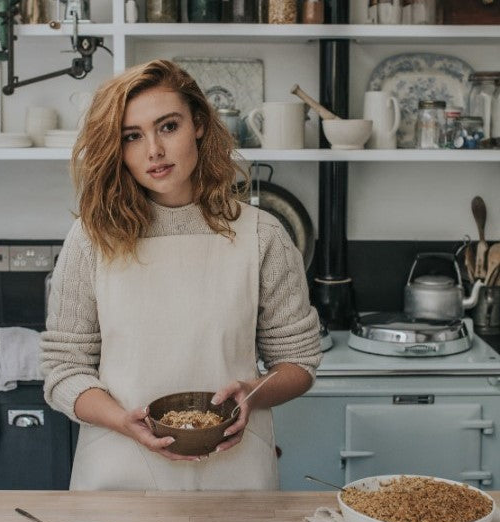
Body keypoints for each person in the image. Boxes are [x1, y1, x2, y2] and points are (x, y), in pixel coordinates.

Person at [41, 59, 322, 491]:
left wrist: (251, 393)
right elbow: (64, 369)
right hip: (119, 472)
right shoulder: (91, 238)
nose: (153, 150)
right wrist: (122, 420)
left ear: (200, 125)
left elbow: (298, 362)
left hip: (236, 475)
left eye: (168, 127)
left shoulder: (262, 234)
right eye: (132, 137)